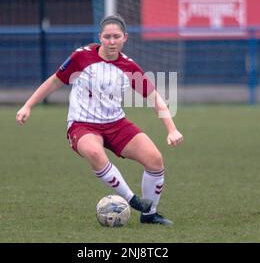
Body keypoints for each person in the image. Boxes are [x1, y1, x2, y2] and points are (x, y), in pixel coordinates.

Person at [16, 14, 183, 225]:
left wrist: (172, 129)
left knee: (155, 160)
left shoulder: (129, 67)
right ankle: (132, 200)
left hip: (116, 123)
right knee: (95, 152)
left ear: (125, 38)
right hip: (82, 124)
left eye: (116, 37)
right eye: (107, 37)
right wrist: (28, 105)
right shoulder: (81, 57)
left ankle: (149, 214)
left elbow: (155, 98)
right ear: (100, 37)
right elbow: (54, 82)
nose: (111, 41)